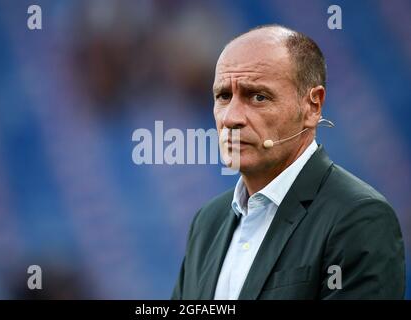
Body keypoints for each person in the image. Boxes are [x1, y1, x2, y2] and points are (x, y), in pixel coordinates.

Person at [171, 24, 405, 300]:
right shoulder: (208, 221)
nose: (231, 118)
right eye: (223, 96)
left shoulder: (358, 218)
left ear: (312, 106)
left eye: (257, 96)